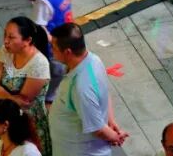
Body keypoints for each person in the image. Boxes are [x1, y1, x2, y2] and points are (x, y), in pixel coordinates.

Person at [49, 23, 129, 155]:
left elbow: (98, 129)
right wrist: (111, 121)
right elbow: (104, 93)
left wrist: (116, 137)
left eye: (54, 47)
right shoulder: (94, 60)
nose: (51, 50)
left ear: (68, 52)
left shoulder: (81, 87)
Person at [0, 17, 52, 156]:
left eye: (11, 37)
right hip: (6, 121)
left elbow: (22, 103)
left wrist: (4, 95)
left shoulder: (39, 65)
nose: (5, 41)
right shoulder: (6, 51)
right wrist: (11, 97)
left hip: (29, 126)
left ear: (28, 40)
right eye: (5, 35)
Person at [33, 0, 75, 107]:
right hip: (54, 46)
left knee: (64, 67)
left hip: (66, 37)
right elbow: (39, 24)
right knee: (57, 71)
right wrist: (52, 41)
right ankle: (48, 96)